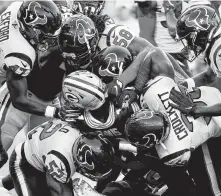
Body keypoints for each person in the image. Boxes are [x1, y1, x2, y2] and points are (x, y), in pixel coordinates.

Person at [0, 0, 63, 168]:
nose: (50, 40)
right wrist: (55, 111)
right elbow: (19, 99)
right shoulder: (20, 53)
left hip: (28, 81)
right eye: (44, 35)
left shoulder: (18, 7)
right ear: (30, 29)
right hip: (9, 78)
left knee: (40, 156)